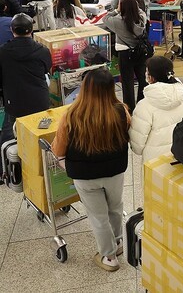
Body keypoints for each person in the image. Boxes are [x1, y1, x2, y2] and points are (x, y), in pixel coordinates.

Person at [51, 68, 129, 272]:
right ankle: (118, 243)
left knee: (98, 216)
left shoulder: (72, 115)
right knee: (115, 207)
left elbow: (58, 148)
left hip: (84, 175)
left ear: (84, 89)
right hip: (115, 171)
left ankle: (109, 257)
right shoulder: (121, 110)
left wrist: (61, 160)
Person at [129, 56, 183, 165]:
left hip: (155, 162)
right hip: (182, 154)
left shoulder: (144, 106)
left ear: (151, 77)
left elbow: (137, 146)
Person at [0, 14, 51, 146]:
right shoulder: (42, 50)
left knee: (14, 138)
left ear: (12, 30)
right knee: (41, 137)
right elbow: (47, 69)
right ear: (31, 29)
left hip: (14, 102)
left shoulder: (3, 52)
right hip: (39, 100)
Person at [103, 0, 148, 112]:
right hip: (140, 51)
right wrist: (135, 7)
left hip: (124, 52)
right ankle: (142, 106)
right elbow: (141, 12)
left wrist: (117, 10)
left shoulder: (118, 21)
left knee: (127, 83)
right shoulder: (142, 19)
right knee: (142, 79)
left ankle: (129, 109)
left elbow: (105, 18)